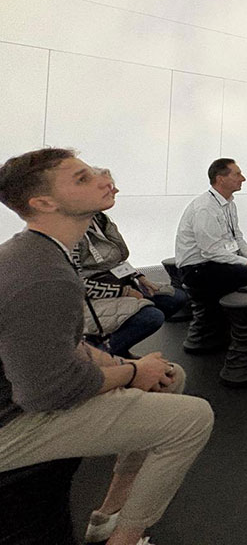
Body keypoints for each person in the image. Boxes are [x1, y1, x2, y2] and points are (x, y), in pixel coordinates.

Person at [0, 148, 214, 545]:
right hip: (10, 425)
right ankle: (125, 539)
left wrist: (121, 364)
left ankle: (109, 514)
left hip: (20, 399)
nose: (103, 178)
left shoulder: (42, 252)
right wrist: (131, 372)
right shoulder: (43, 275)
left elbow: (70, 345)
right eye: (82, 178)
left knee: (169, 377)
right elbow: (46, 392)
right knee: (192, 420)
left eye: (95, 170)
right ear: (43, 203)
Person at [79, 170, 188, 358]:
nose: (116, 191)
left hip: (116, 282)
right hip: (91, 298)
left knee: (175, 298)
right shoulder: (71, 231)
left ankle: (117, 347)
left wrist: (140, 277)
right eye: (108, 187)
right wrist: (123, 292)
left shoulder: (100, 219)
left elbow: (116, 259)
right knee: (151, 317)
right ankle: (101, 358)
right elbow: (76, 284)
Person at [175, 158, 247, 302]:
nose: (243, 179)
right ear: (220, 179)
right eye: (237, 174)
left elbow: (237, 237)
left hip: (218, 260)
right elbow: (210, 251)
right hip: (198, 268)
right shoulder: (205, 208)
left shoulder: (229, 204)